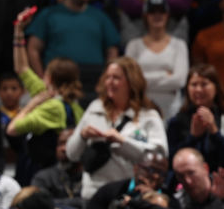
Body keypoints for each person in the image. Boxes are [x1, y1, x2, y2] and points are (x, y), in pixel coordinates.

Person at [65, 57, 168, 200]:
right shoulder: (95, 108)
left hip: (127, 195)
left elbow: (159, 156)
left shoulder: (149, 116)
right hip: (93, 195)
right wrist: (82, 136)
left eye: (116, 78)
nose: (109, 82)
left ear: (132, 82)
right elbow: (71, 154)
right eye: (107, 77)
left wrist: (123, 142)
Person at [9, 9, 85, 182]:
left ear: (49, 77)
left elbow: (13, 128)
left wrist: (31, 105)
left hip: (44, 171)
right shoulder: (71, 104)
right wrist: (18, 31)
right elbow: (22, 68)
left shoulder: (52, 106)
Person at [25, 0, 121, 77]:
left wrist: (107, 78)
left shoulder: (100, 16)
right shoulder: (49, 14)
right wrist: (41, 79)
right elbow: (33, 48)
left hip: (93, 78)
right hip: (58, 76)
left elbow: (112, 50)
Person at [167, 64, 224, 175]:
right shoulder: (177, 121)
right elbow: (171, 161)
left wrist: (214, 131)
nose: (198, 89)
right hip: (186, 180)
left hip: (222, 180)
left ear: (216, 87)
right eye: (194, 85)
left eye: (204, 84)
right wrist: (193, 137)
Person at [124, 0, 189, 117]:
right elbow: (131, 80)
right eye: (152, 12)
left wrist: (143, 77)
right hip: (141, 105)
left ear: (167, 15)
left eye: (161, 12)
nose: (157, 15)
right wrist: (165, 75)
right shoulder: (133, 45)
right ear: (146, 16)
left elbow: (180, 80)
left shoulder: (179, 45)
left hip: (171, 108)